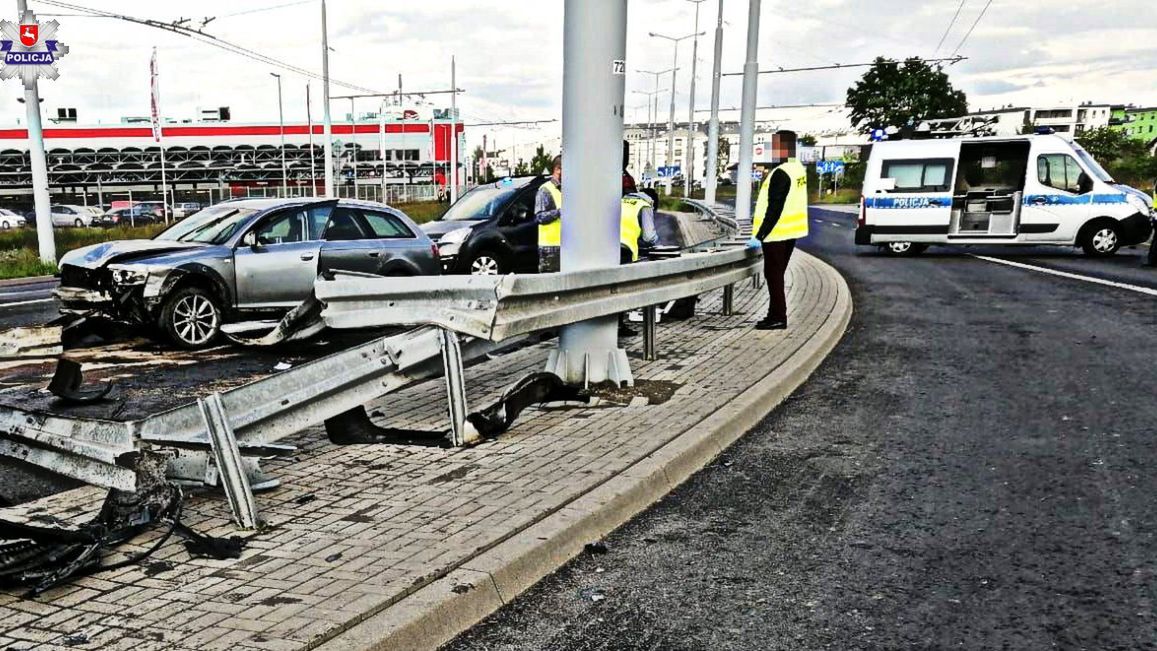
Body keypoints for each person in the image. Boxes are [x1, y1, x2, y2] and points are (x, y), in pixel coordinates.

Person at [747, 156, 809, 330]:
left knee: (773, 276)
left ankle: (778, 317)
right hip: (791, 231)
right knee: (777, 275)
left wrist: (760, 235)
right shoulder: (797, 168)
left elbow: (775, 208)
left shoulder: (781, 172)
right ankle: (774, 314)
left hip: (776, 233)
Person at [535, 155, 563, 272]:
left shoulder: (566, 189)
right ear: (557, 169)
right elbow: (540, 217)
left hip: (566, 246)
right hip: (550, 248)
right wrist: (559, 212)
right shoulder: (545, 190)